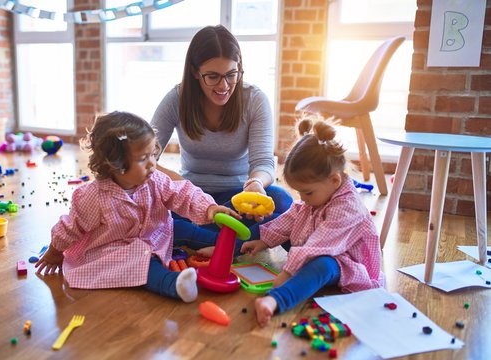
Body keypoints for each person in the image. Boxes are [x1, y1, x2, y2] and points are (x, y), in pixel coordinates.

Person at [35, 111, 240, 303]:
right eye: (143, 159)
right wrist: (55, 252)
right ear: (115, 165)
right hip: (117, 249)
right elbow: (71, 227)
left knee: (188, 230)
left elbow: (183, 194)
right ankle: (173, 284)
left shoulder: (156, 180)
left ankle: (237, 245)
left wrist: (209, 208)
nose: (152, 164)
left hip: (157, 234)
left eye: (153, 155)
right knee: (145, 266)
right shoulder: (93, 197)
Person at [150, 25, 293, 251]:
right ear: (195, 72)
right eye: (213, 77)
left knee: (283, 201)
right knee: (149, 208)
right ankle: (233, 243)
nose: (224, 86)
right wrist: (185, 188)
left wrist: (255, 184)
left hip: (237, 198)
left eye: (231, 75)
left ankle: (200, 239)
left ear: (240, 69)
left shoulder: (254, 100)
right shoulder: (177, 99)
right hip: (191, 198)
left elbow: (263, 162)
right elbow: (144, 158)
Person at [240, 117, 384, 327]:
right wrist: (264, 241)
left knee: (323, 265)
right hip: (313, 245)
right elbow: (291, 217)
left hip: (346, 262)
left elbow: (317, 247)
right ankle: (226, 247)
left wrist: (287, 274)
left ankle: (275, 301)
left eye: (307, 192)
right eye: (299, 192)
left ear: (335, 180)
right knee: (276, 226)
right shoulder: (320, 194)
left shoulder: (347, 208)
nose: (303, 198)